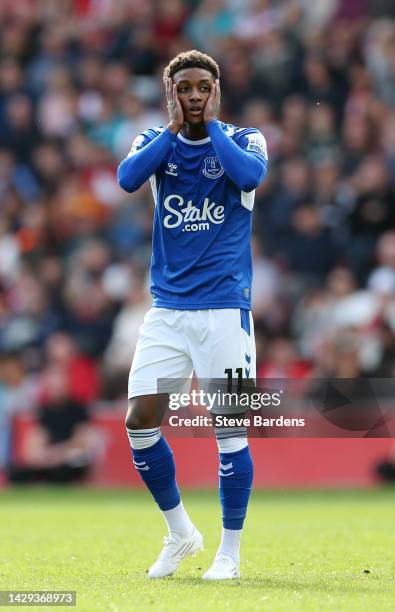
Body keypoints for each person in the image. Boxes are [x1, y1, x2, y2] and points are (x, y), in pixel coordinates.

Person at [117, 50, 268, 580]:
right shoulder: (154, 145)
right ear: (171, 93)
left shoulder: (246, 139)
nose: (196, 95)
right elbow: (127, 179)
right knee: (139, 423)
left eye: (204, 86)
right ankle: (181, 532)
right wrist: (174, 131)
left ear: (217, 90)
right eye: (186, 87)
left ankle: (230, 551)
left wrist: (212, 128)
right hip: (168, 312)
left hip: (225, 311)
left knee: (229, 429)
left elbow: (247, 177)